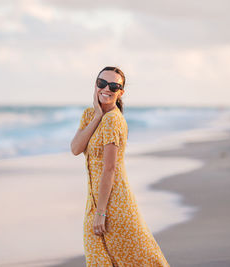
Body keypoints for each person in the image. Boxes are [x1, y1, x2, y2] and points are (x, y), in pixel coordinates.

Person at [70, 66, 170, 266]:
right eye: (102, 83)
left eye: (114, 86)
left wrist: (101, 213)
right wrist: (97, 116)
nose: (106, 88)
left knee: (134, 259)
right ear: (95, 85)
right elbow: (75, 148)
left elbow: (109, 168)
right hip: (95, 203)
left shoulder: (113, 121)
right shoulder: (91, 115)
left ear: (120, 92)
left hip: (113, 206)